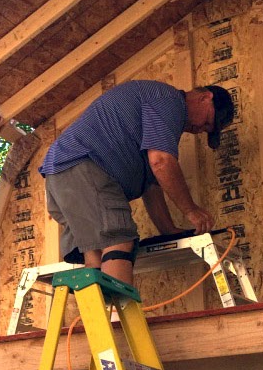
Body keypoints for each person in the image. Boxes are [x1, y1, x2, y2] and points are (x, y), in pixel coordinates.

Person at [39, 80, 234, 286]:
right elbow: (161, 162)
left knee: (96, 251)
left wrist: (168, 229)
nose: (199, 130)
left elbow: (151, 185)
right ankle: (115, 317)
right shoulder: (170, 101)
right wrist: (191, 210)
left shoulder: (158, 114)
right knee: (119, 241)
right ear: (205, 97)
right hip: (84, 166)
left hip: (62, 173)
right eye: (206, 123)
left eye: (205, 131)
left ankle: (99, 314)